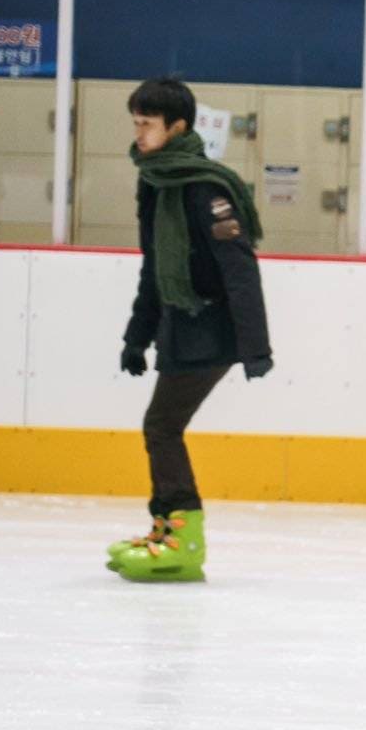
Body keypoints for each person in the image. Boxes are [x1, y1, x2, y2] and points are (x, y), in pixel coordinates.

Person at [105, 77, 272, 583]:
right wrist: (136, 338)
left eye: (147, 124)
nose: (138, 132)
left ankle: (183, 538)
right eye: (135, 122)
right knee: (161, 427)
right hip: (179, 326)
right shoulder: (156, 183)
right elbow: (155, 268)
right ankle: (167, 530)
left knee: (161, 426)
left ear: (177, 127)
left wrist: (255, 348)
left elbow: (240, 270)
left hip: (211, 329)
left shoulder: (205, 189)